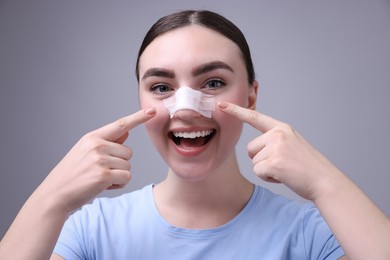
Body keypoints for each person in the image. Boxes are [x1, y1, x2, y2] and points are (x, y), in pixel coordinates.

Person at [0, 10, 389, 260]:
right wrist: (50, 199)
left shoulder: (311, 235)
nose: (185, 108)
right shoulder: (89, 232)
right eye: (161, 87)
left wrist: (326, 183)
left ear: (251, 95)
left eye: (214, 82)